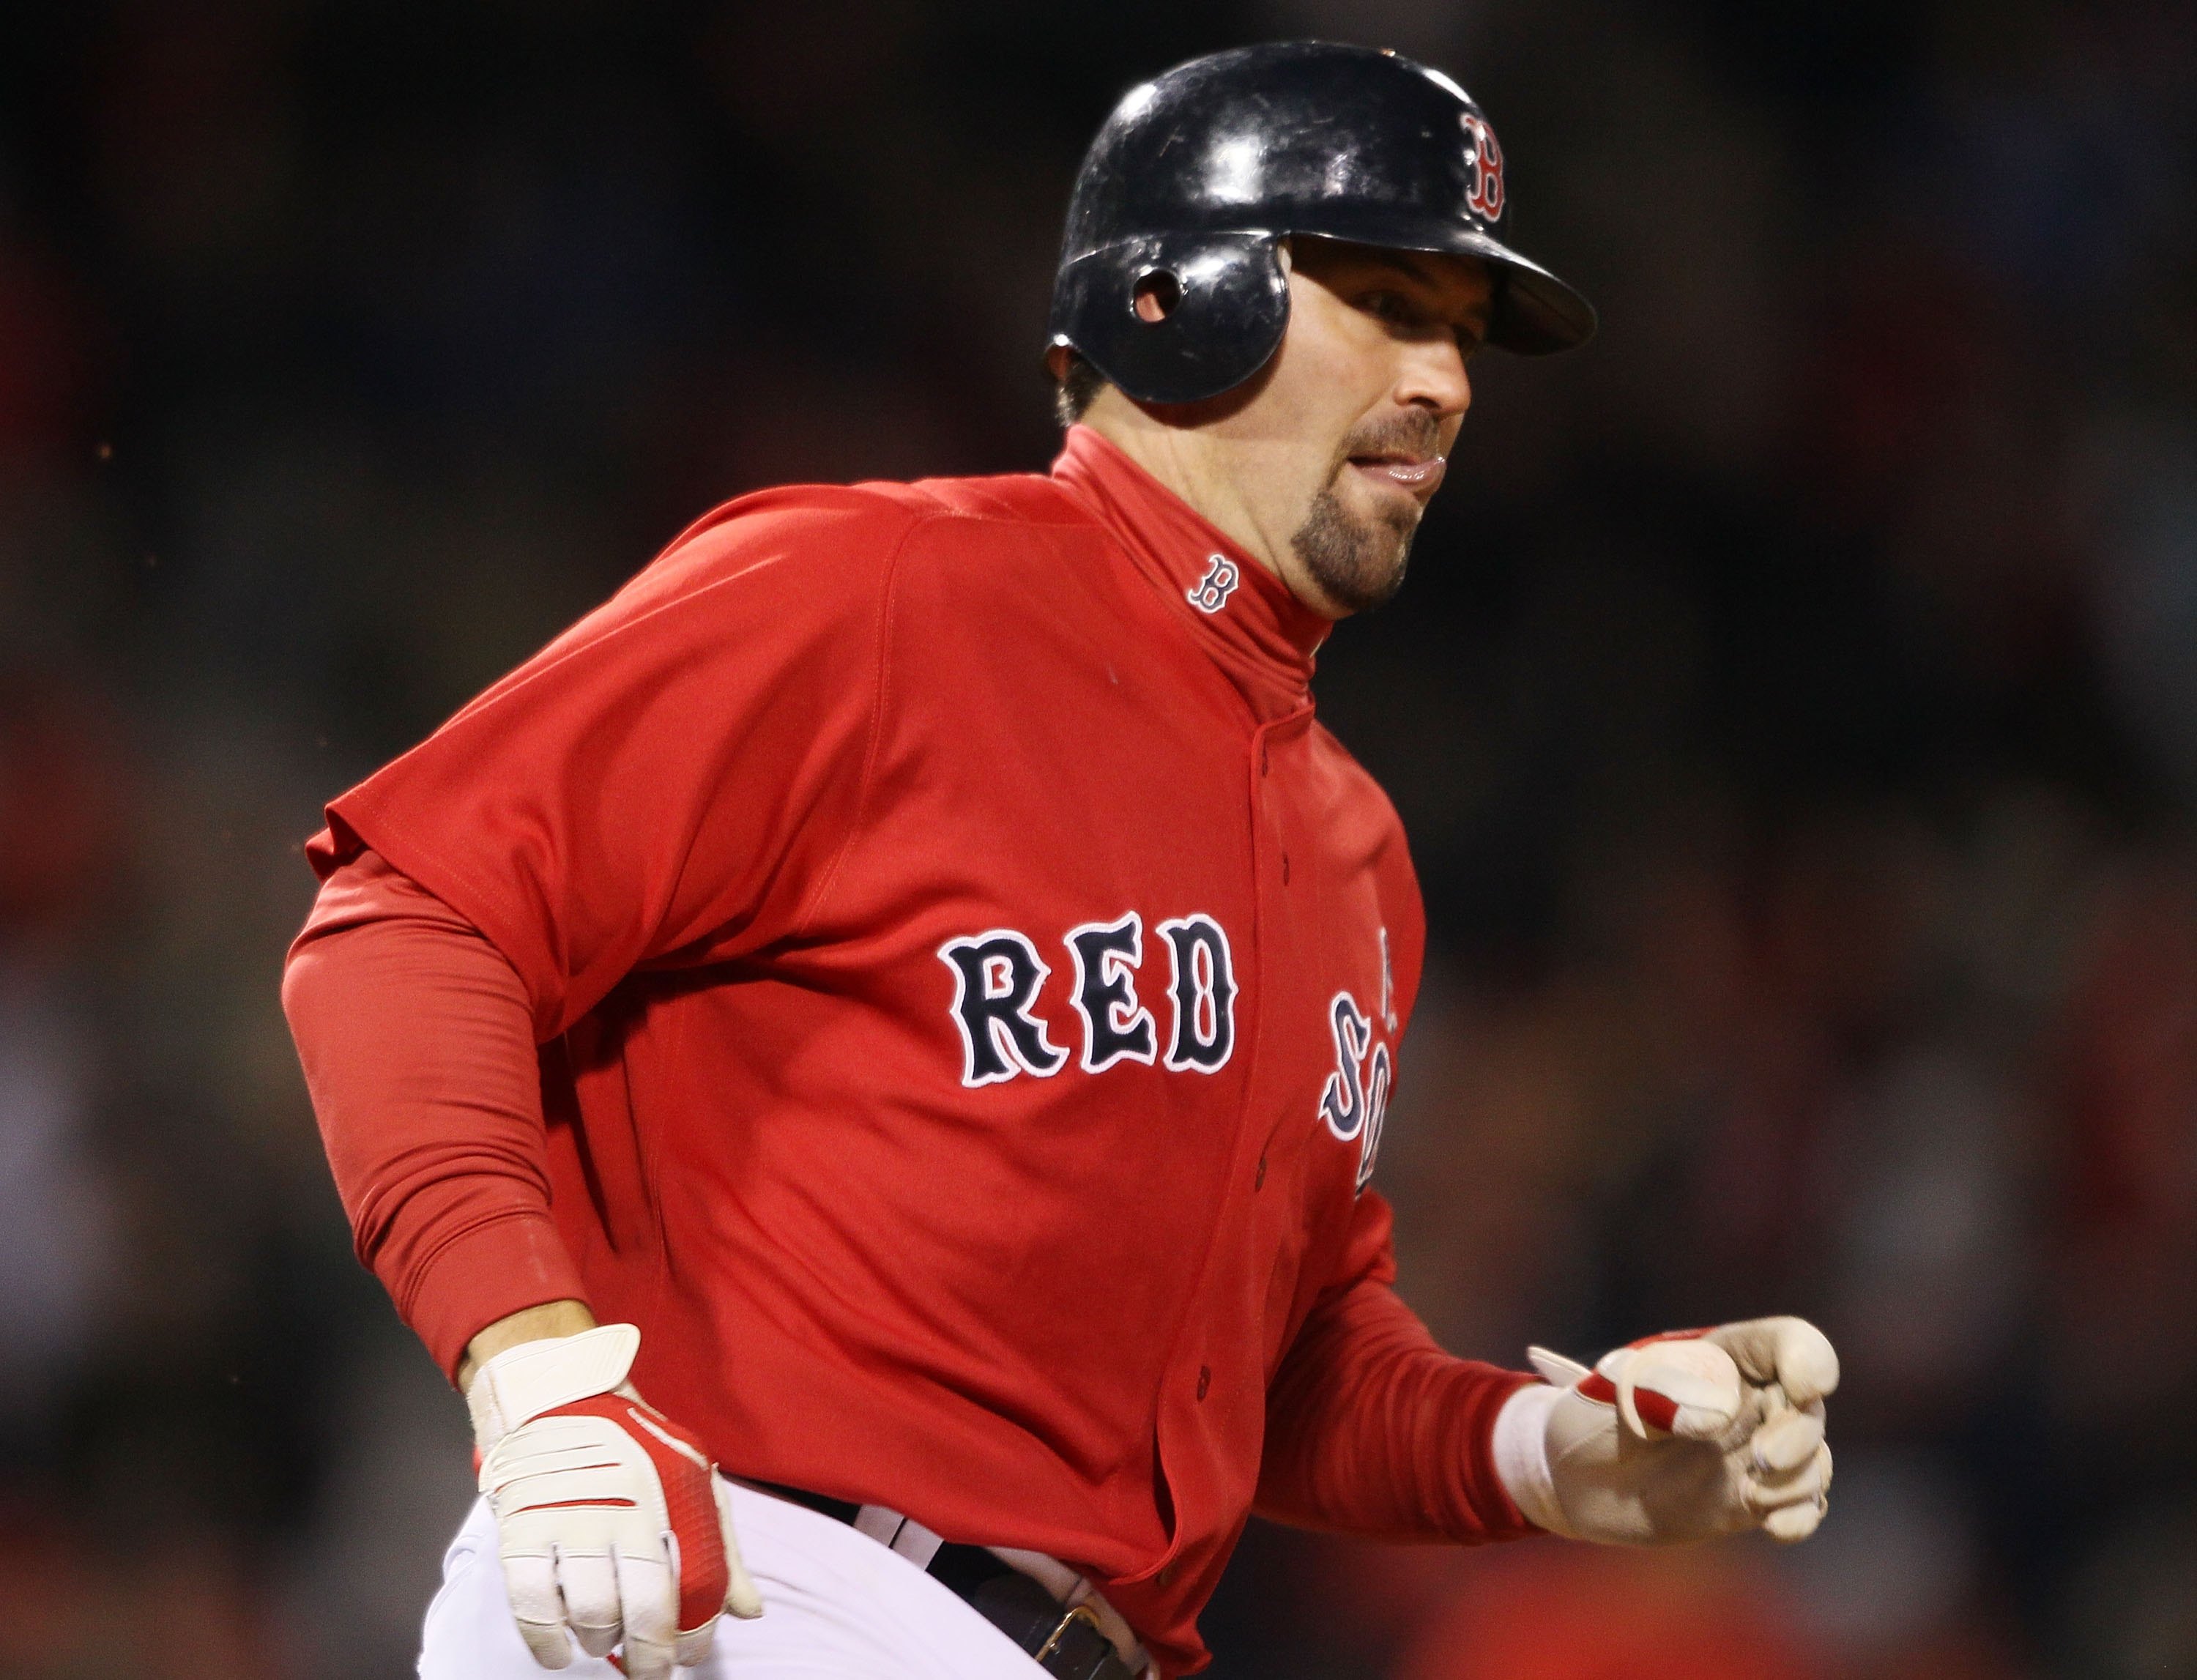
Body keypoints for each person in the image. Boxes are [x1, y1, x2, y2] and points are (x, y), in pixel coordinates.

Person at [283, 41, 1836, 1680]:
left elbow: (1270, 1367)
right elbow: (412, 910)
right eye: (1386, 299)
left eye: (1461, 328)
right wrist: (534, 1370)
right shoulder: (883, 591)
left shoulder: (1356, 846)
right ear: (1182, 297)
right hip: (740, 1595)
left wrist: (1540, 1452)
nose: (1447, 379)